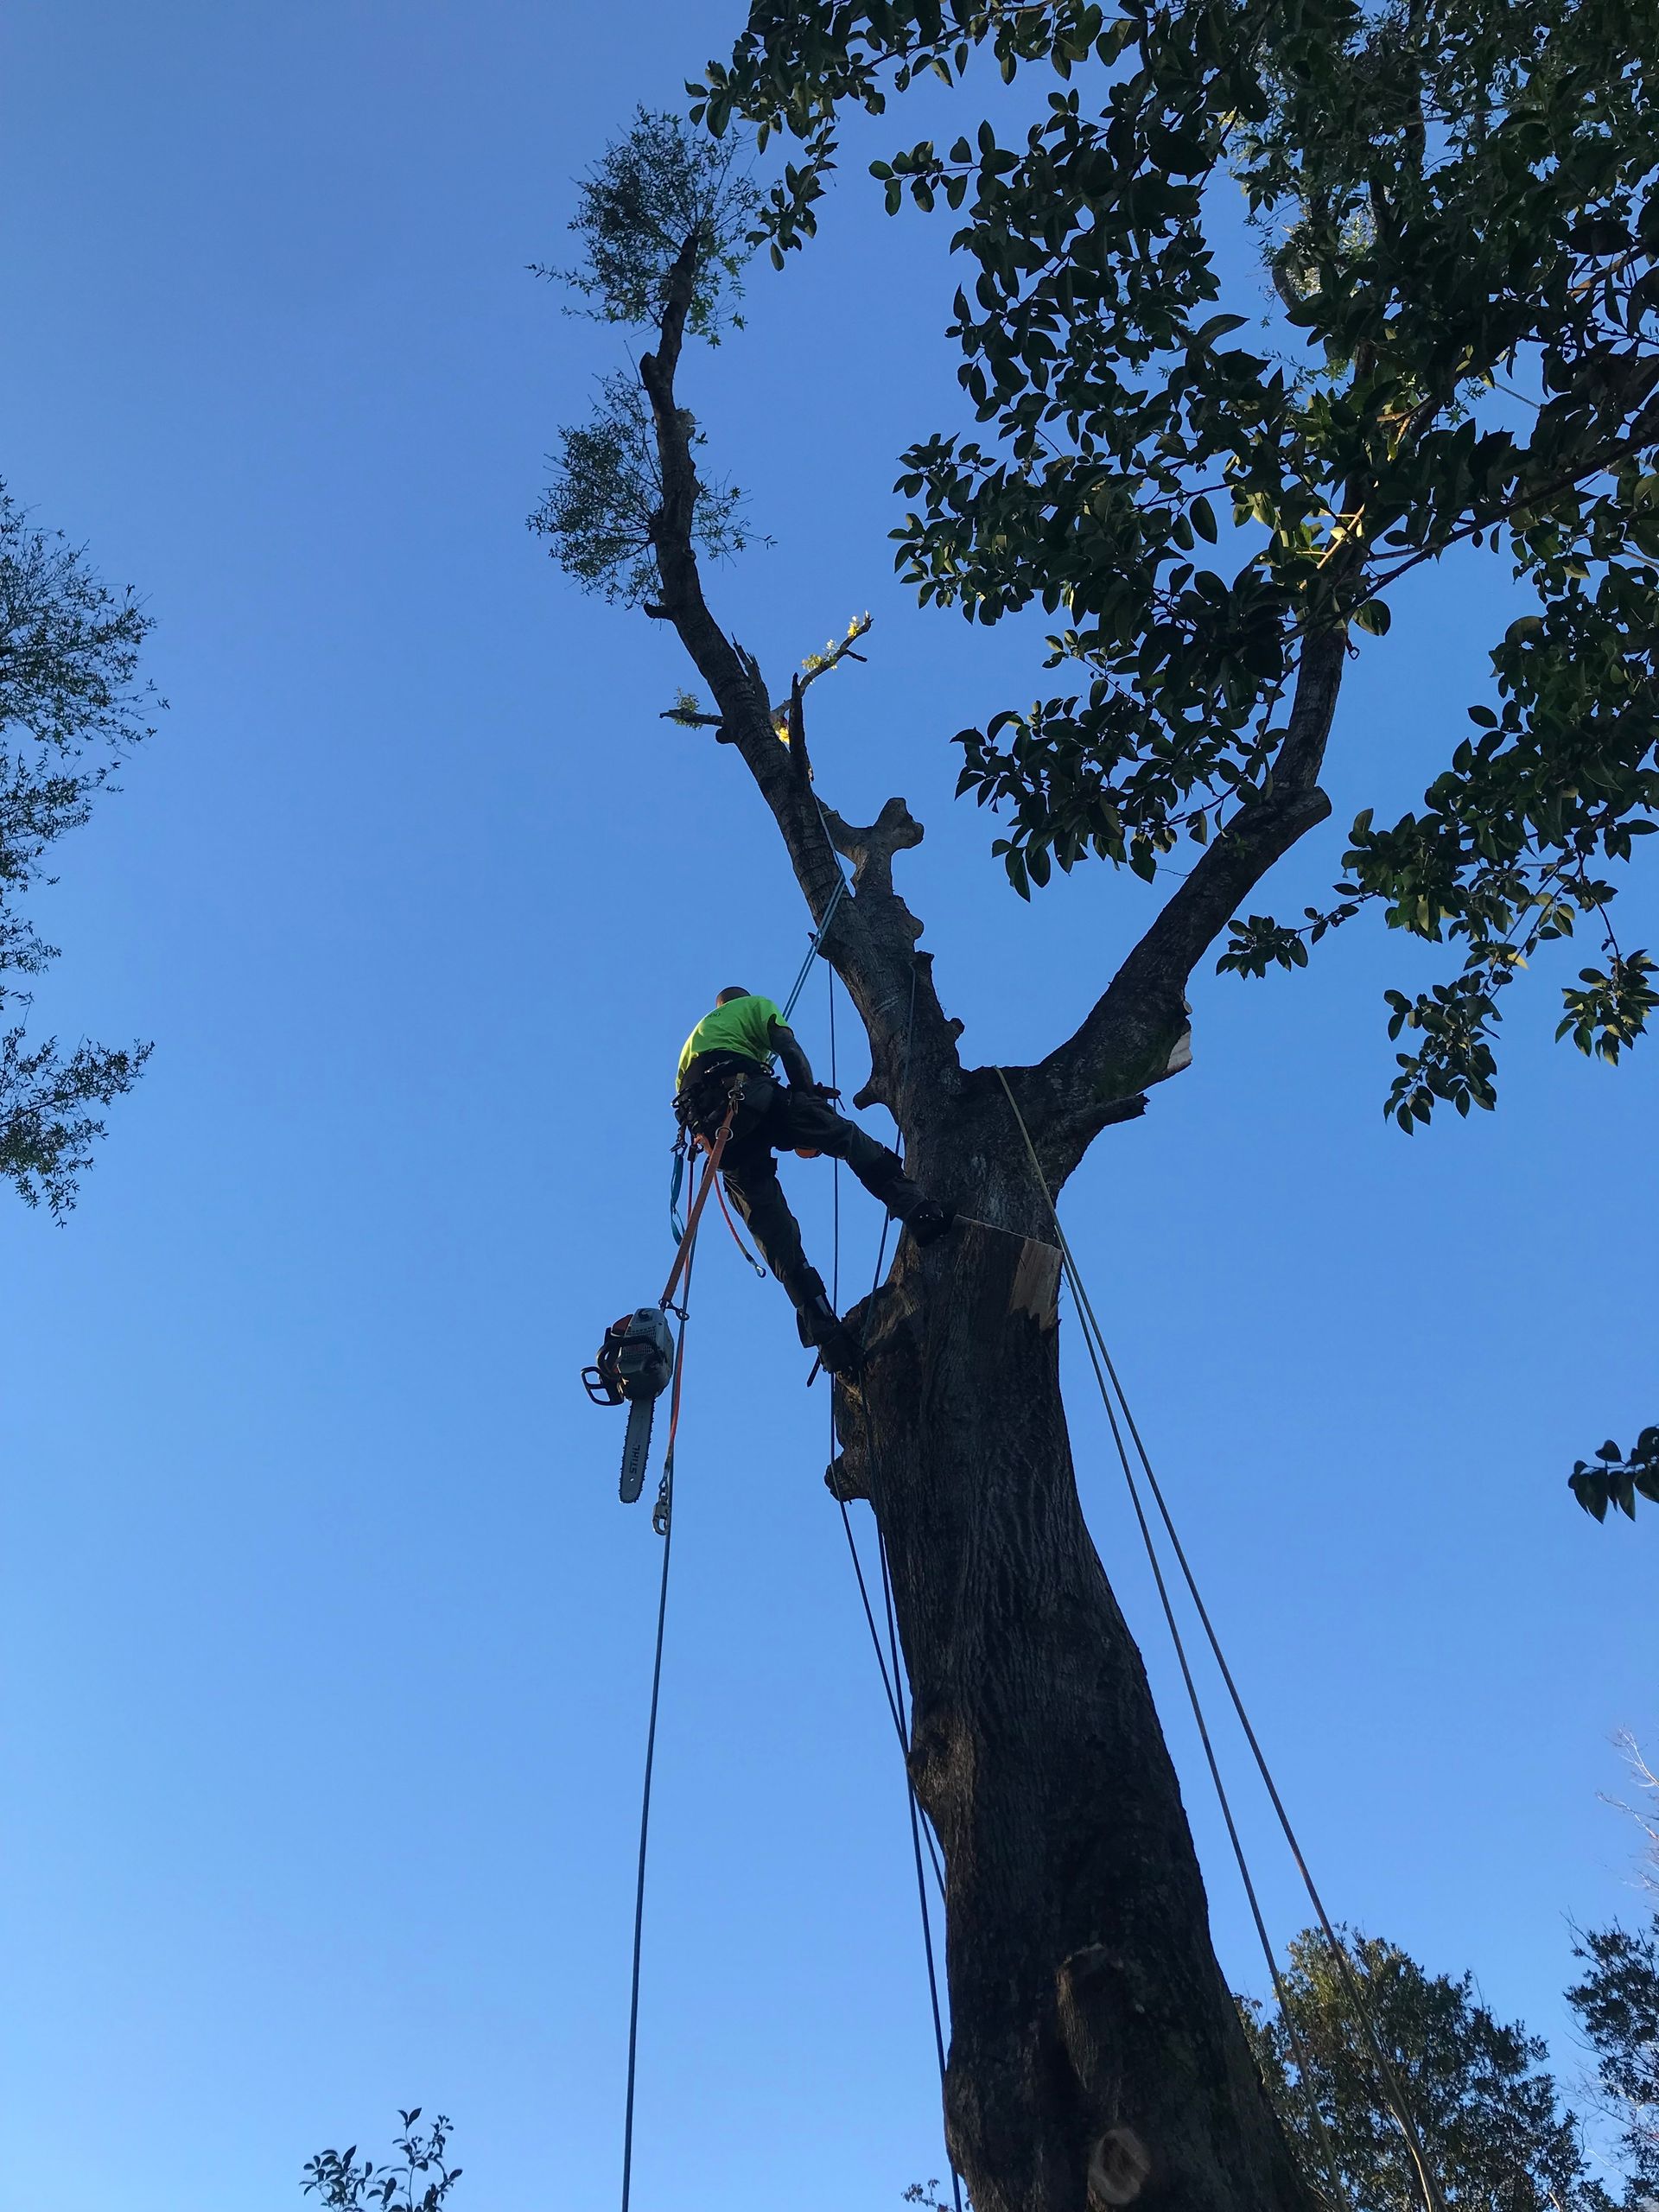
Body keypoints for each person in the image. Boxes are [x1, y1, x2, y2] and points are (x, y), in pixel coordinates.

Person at [674, 987, 954, 1374]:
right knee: (847, 1138)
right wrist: (809, 1099)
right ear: (740, 1000)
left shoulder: (694, 1041)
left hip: (716, 1134)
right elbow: (790, 1051)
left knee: (777, 1237)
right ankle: (919, 1211)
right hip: (745, 1092)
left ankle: (829, 1339)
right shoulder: (755, 1007)